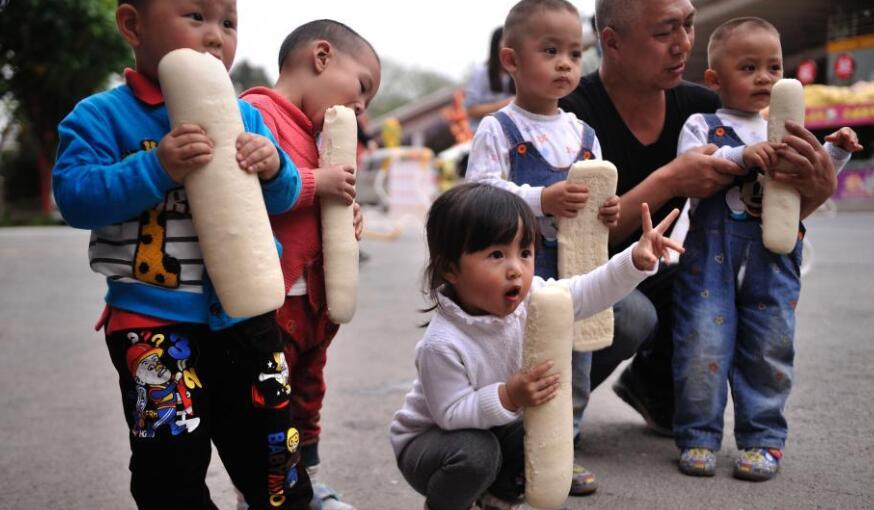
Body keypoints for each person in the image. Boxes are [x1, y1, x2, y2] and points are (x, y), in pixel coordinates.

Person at [51, 1, 313, 508]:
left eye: (228, 23)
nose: (216, 37)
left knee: (273, 450)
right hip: (152, 323)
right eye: (196, 16)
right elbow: (74, 196)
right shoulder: (102, 116)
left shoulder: (246, 117)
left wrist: (274, 167)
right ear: (133, 25)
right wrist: (156, 168)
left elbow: (282, 198)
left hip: (247, 318)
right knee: (169, 461)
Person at [559, 0, 841, 438]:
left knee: (716, 275)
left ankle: (654, 384)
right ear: (612, 42)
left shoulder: (710, 111)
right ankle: (547, 417)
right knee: (632, 313)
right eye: (665, 32)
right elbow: (573, 240)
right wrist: (670, 180)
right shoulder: (570, 117)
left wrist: (819, 184)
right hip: (584, 280)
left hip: (670, 270)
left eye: (688, 26)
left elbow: (756, 212)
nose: (684, 44)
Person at [390, 182, 681, 510]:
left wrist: (634, 262)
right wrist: (509, 396)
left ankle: (498, 498)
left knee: (537, 433)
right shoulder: (442, 343)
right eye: (497, 255)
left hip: (490, 427)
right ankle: (444, 505)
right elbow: (451, 414)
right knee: (477, 454)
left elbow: (586, 291)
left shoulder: (532, 300)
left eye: (524, 253)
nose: (516, 269)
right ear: (450, 269)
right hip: (430, 445)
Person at [672, 17, 861, 481]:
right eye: (749, 67)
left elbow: (811, 178)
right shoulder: (704, 124)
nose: (765, 78)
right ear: (715, 79)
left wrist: (836, 151)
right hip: (709, 259)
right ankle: (698, 435)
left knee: (768, 346)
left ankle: (762, 440)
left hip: (772, 261)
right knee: (702, 344)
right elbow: (691, 166)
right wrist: (740, 156)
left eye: (773, 67)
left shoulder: (788, 127)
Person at [465, 0, 619, 494]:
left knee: (570, 363)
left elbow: (597, 199)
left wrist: (606, 211)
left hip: (572, 268)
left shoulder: (584, 133)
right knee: (512, 363)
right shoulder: (499, 128)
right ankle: (509, 454)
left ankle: (560, 449)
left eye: (575, 53)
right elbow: (480, 193)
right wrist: (539, 198)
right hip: (514, 272)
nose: (566, 64)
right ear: (511, 61)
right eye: (550, 50)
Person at [240, 19, 380, 510]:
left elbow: (326, 205)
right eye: (362, 88)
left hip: (314, 301)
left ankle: (307, 481)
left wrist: (348, 216)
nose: (361, 109)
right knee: (269, 403)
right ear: (321, 57)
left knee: (307, 394)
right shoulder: (257, 114)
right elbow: (247, 194)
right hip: (272, 300)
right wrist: (316, 183)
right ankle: (264, 489)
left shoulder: (326, 138)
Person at [464, 27, 515, 133]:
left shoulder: (519, 69)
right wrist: (506, 104)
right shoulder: (480, 73)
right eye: (506, 41)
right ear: (496, 45)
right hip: (488, 134)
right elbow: (471, 110)